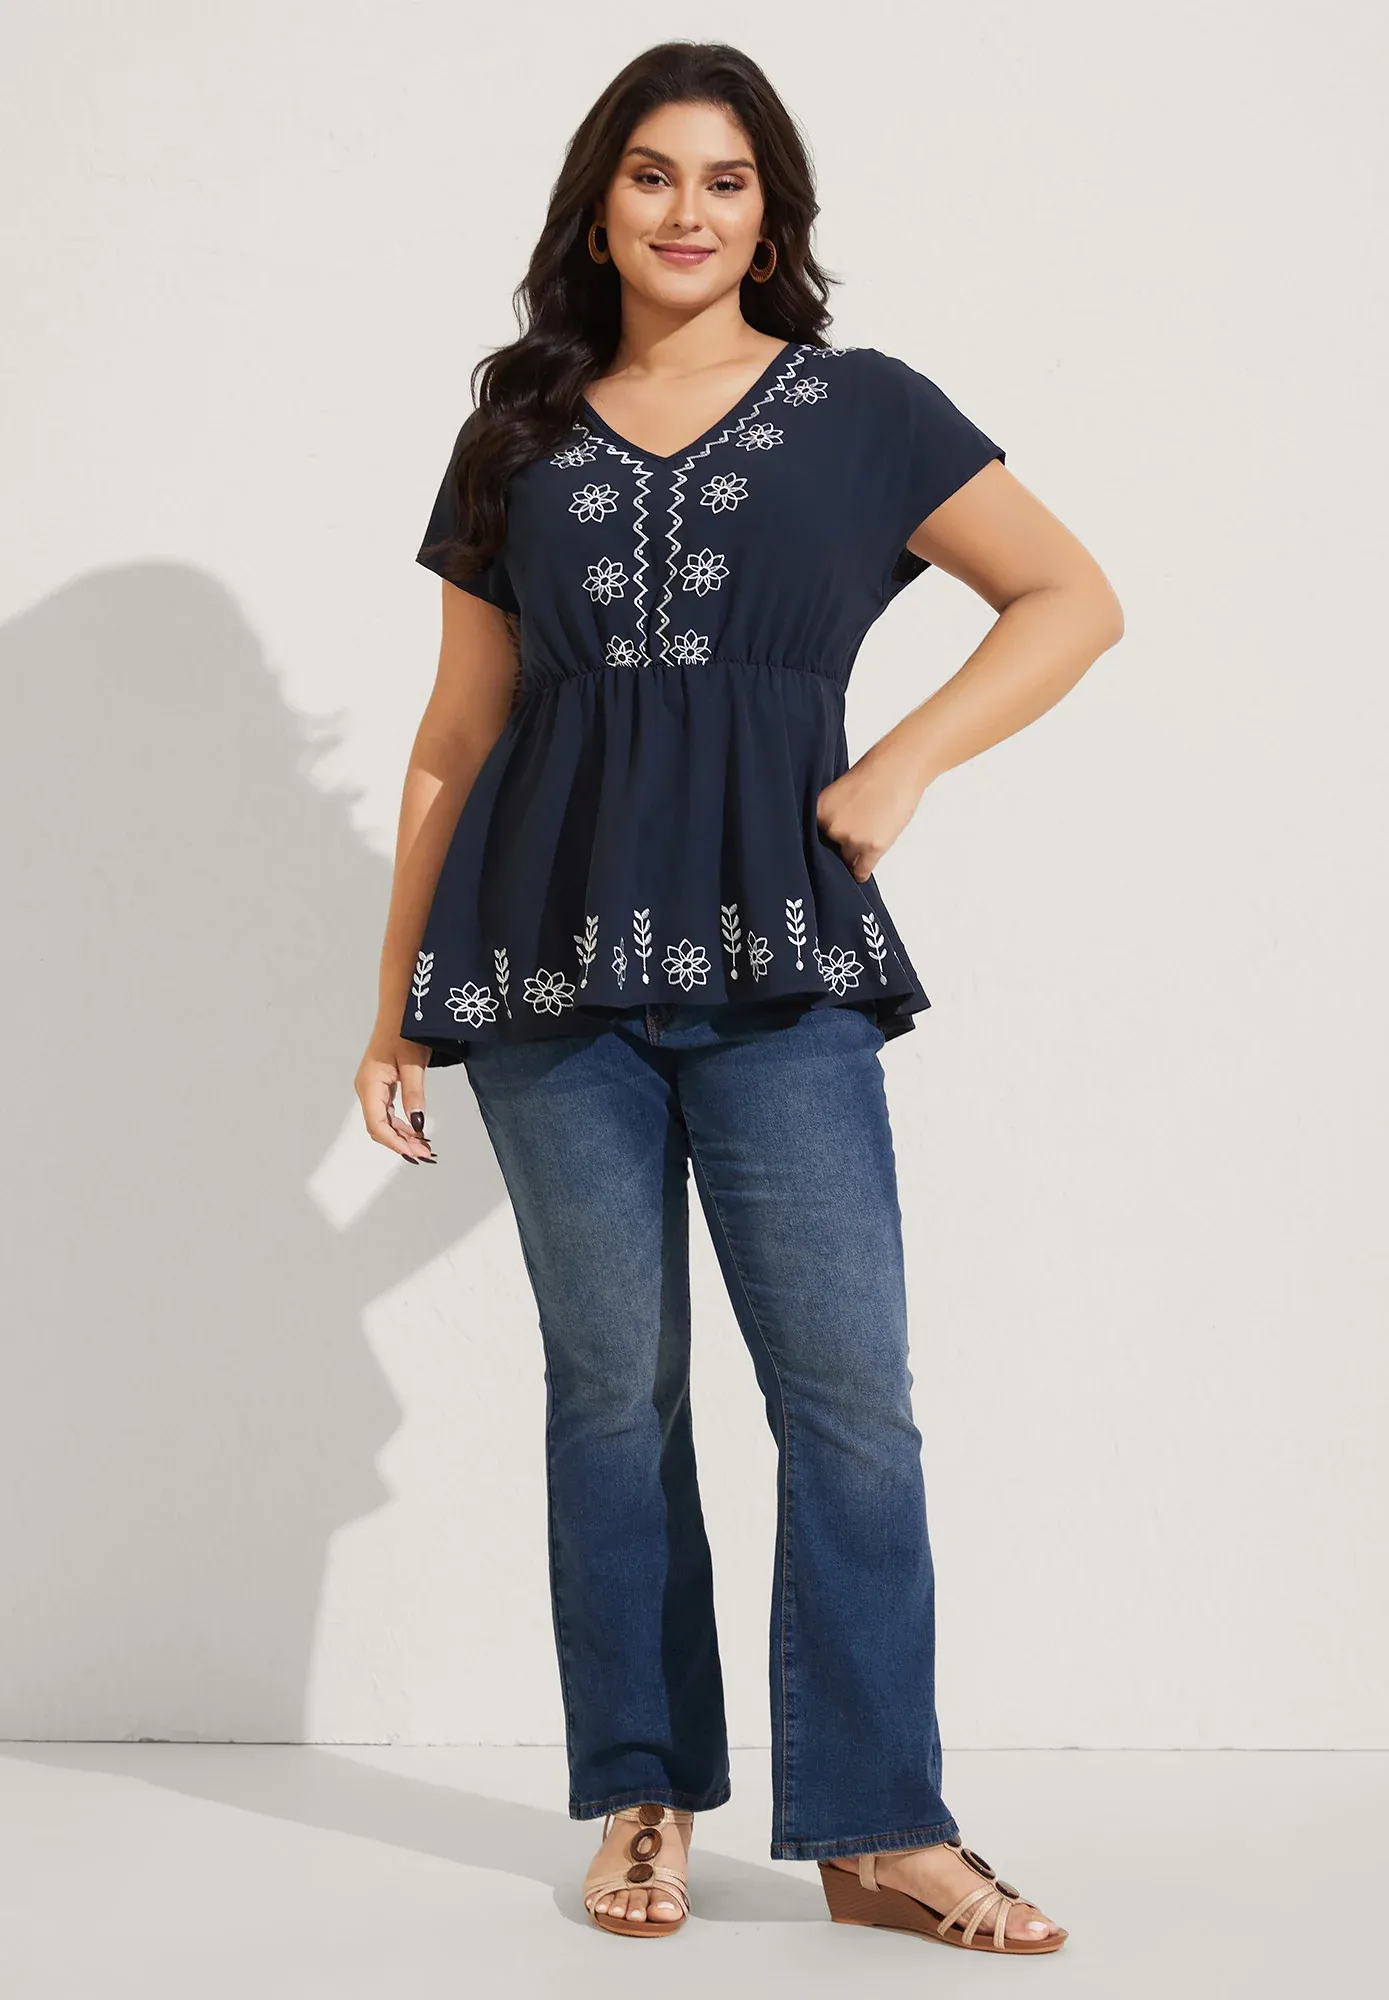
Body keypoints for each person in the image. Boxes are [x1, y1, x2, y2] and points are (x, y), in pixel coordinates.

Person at [356, 40, 1122, 1954]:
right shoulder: (518, 433)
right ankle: (642, 1797)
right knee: (611, 1398)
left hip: (784, 968)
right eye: (650, 174)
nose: (686, 210)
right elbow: (456, 735)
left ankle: (884, 1831)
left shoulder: (863, 410)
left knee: (851, 1401)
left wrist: (904, 765)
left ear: (772, 211)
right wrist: (394, 1005)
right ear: (597, 204)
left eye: (725, 177)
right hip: (543, 974)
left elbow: (1069, 598)